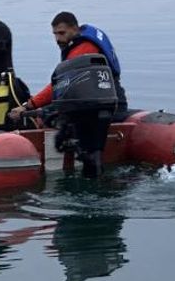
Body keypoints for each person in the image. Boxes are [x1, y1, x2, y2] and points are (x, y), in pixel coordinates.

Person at [9, 11, 127, 177]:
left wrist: (28, 106)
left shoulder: (83, 50)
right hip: (108, 101)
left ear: (75, 29)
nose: (58, 39)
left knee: (50, 118)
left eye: (62, 33)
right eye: (55, 34)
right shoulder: (86, 40)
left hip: (104, 108)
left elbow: (58, 86)